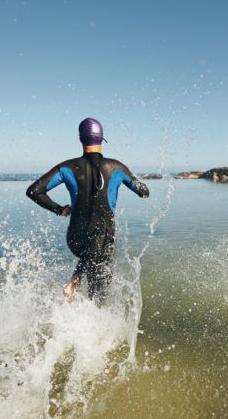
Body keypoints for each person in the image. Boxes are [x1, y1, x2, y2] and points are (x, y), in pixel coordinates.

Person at [26, 117, 149, 302]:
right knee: (99, 293)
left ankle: (74, 284)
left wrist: (60, 209)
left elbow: (34, 191)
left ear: (80, 139)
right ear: (102, 139)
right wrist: (132, 178)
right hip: (102, 238)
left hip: (75, 237)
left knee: (89, 254)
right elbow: (144, 192)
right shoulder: (116, 167)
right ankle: (81, 295)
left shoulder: (67, 167)